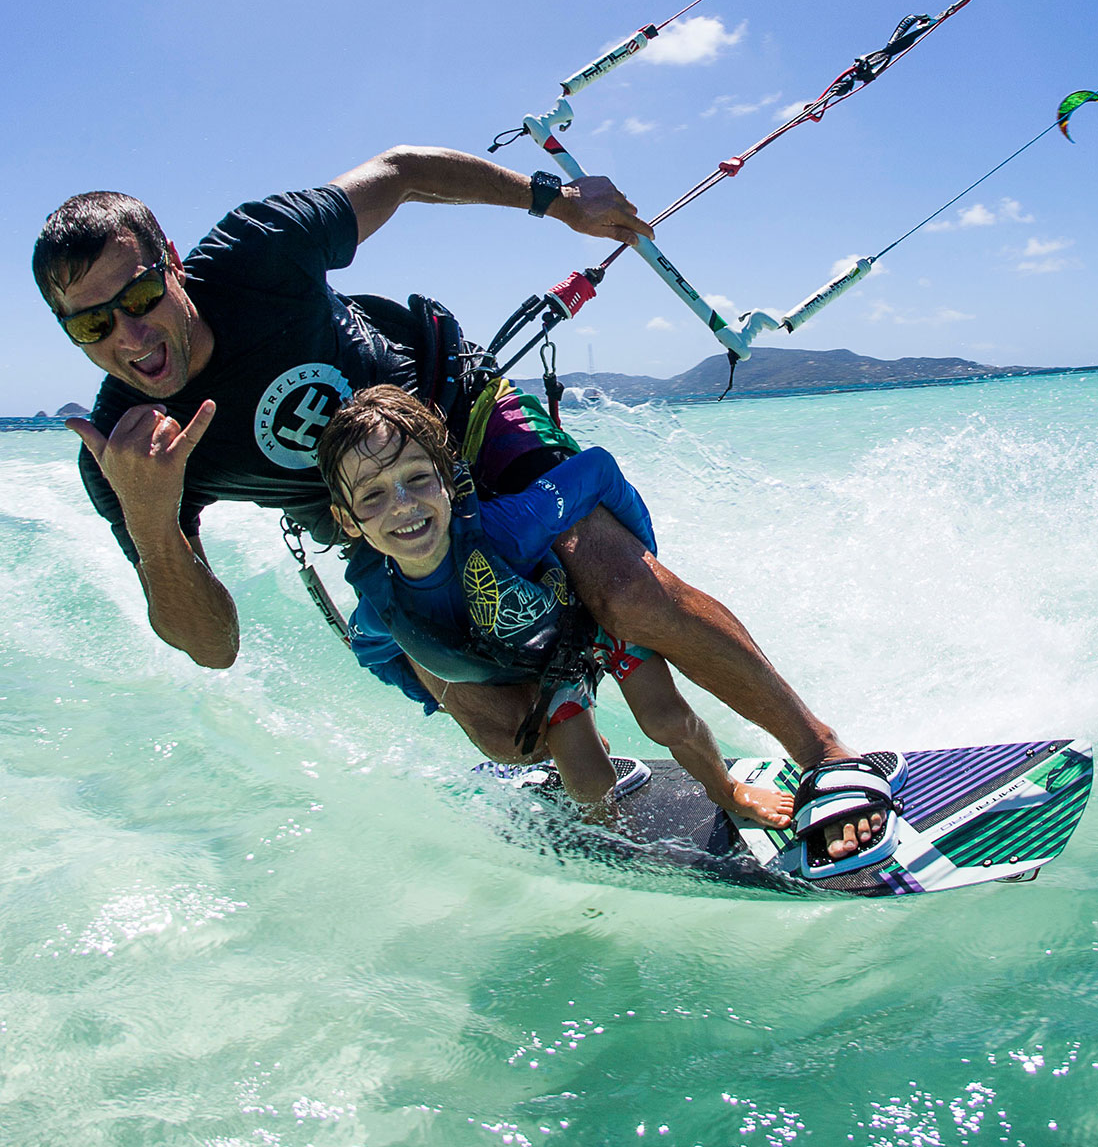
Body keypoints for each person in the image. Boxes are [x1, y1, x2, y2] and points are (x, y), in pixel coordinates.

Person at [32, 144, 891, 865]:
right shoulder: (126, 451)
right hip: (375, 510)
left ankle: (822, 753)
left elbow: (402, 172)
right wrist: (150, 517)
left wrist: (556, 201)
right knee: (495, 723)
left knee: (621, 591)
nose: (130, 339)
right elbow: (212, 649)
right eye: (92, 327)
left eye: (140, 300)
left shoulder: (261, 252)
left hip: (460, 412)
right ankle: (576, 739)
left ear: (172, 264)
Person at [317, 384, 796, 828]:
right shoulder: (382, 602)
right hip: (552, 665)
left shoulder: (508, 528)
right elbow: (375, 651)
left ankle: (727, 790)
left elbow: (598, 469)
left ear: (448, 481)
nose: (402, 505)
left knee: (665, 720)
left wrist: (644, 556)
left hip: (594, 626)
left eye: (418, 479)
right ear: (348, 520)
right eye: (374, 495)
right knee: (588, 781)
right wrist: (430, 697)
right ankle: (606, 832)